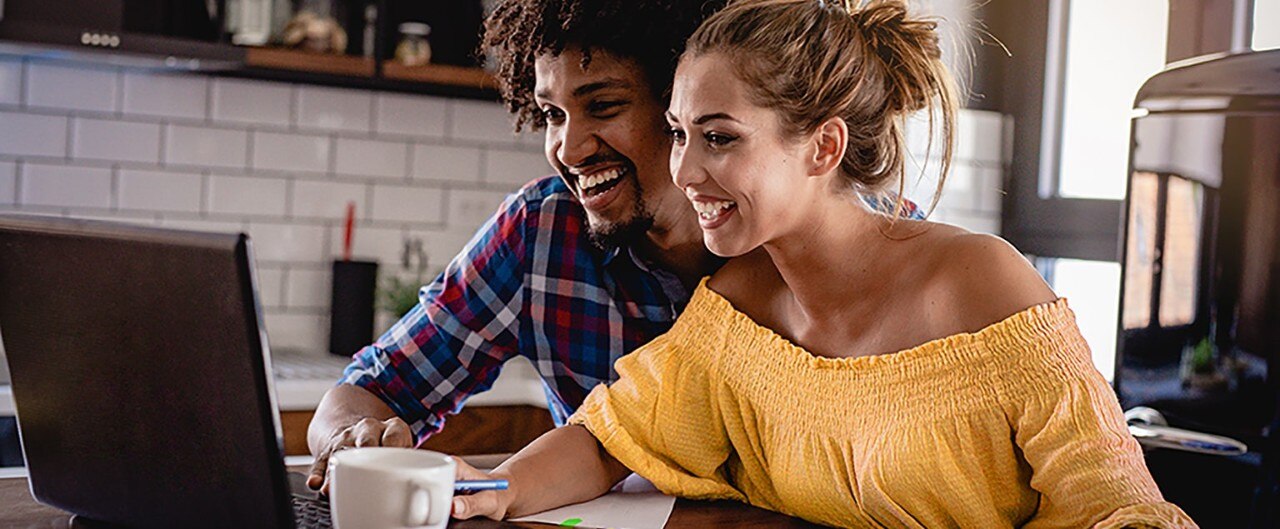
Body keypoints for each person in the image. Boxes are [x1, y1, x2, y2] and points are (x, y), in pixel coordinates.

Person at [446, 0, 1199, 527]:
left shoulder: (981, 284)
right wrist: (488, 486)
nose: (684, 171)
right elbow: (608, 439)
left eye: (719, 138)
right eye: (679, 134)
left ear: (824, 147)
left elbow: (1116, 502)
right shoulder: (735, 308)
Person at [304, 0, 920, 492]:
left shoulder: (845, 241)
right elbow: (377, 386)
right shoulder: (540, 232)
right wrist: (348, 437)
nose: (568, 151)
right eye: (551, 114)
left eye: (603, 105)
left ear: (682, 104)